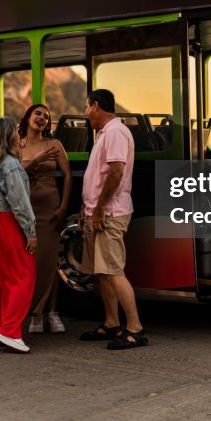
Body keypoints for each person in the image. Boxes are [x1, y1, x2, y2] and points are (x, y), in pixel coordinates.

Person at [78, 89, 147, 350]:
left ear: (96, 106)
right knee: (102, 272)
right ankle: (111, 323)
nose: (86, 114)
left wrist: (99, 209)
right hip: (97, 212)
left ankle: (135, 328)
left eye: (86, 108)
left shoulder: (115, 132)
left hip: (109, 214)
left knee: (114, 271)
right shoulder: (104, 133)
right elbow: (98, 176)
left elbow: (116, 172)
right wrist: (86, 207)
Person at [0, 118, 38, 353]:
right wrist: (31, 232)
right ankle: (11, 331)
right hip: (7, 222)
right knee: (24, 274)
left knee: (1, 278)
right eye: (15, 131)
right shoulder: (11, 164)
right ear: (8, 136)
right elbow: (20, 203)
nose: (18, 135)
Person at [17, 104, 71, 334]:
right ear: (28, 117)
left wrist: (63, 206)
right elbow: (16, 173)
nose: (42, 118)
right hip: (25, 211)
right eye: (38, 113)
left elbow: (67, 176)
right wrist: (38, 160)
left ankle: (52, 312)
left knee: (50, 262)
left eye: (46, 117)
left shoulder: (55, 144)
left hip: (50, 209)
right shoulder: (16, 144)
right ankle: (35, 313)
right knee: (29, 263)